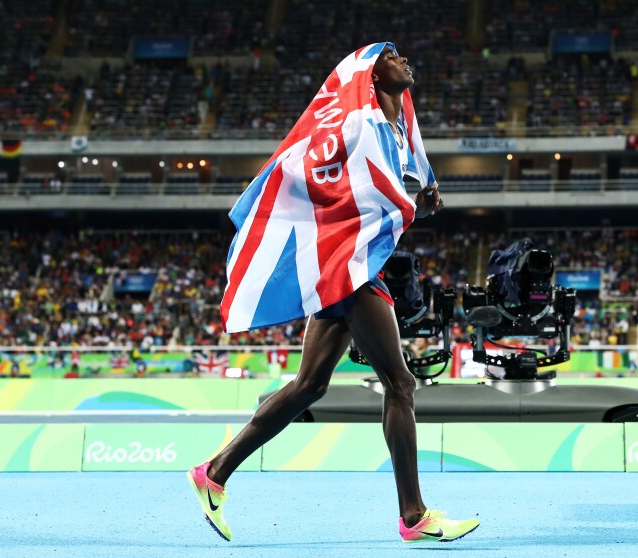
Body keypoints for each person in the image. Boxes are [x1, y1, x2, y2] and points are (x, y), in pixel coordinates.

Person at [187, 43, 479, 544]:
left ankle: (213, 472)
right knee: (400, 384)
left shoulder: (393, 128)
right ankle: (414, 515)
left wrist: (416, 196)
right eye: (391, 56)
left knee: (309, 386)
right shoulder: (363, 125)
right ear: (372, 75)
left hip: (352, 263)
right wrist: (415, 205)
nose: (404, 59)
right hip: (348, 265)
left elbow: (381, 191)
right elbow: (358, 192)